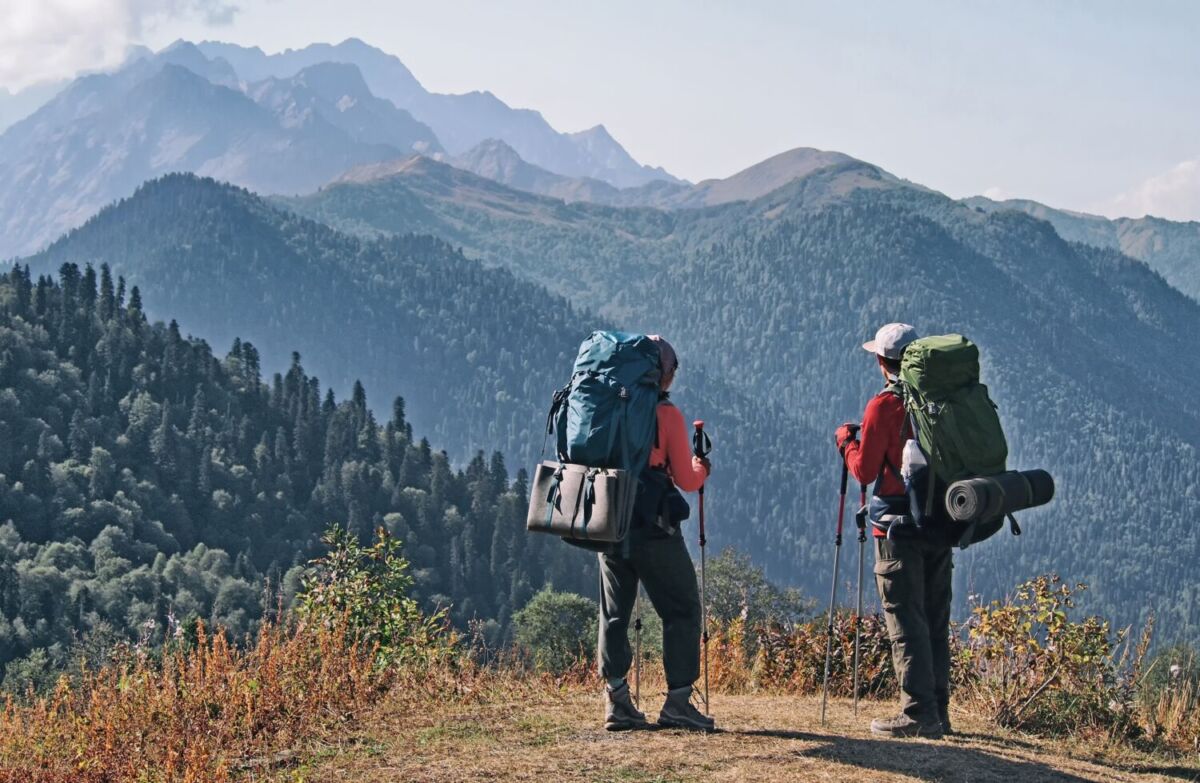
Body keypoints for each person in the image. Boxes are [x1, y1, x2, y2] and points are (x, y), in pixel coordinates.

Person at [835, 322, 951, 739]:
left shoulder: (882, 407)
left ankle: (918, 714)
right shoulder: (938, 396)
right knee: (935, 615)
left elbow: (865, 471)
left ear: (883, 363)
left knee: (905, 617)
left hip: (896, 526)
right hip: (940, 519)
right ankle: (939, 710)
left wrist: (847, 442)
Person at [600, 335, 714, 732]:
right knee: (681, 608)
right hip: (653, 526)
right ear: (662, 373)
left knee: (614, 612)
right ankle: (678, 703)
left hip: (607, 518)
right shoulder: (665, 415)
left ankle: (617, 701)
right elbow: (686, 479)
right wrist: (703, 469)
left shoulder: (608, 405)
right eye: (673, 369)